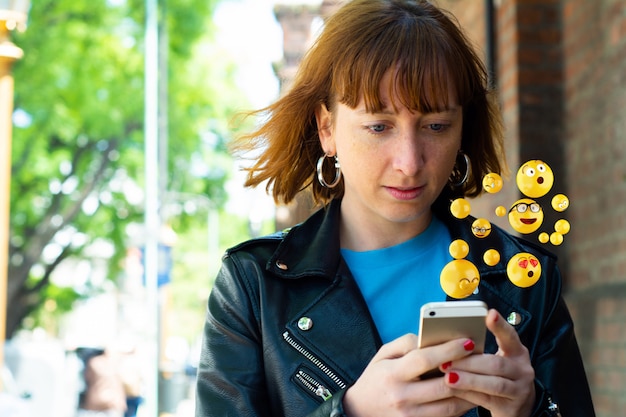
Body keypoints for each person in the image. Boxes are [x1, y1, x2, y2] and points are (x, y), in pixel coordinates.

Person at [195, 1, 595, 416]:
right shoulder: (251, 285)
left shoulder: (527, 279)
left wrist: (528, 408)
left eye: (436, 126)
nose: (409, 161)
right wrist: (350, 412)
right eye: (379, 126)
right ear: (327, 128)